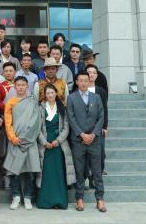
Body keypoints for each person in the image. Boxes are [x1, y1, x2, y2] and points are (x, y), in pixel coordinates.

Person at [67, 71, 106, 213]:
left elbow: (101, 116)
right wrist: (82, 134)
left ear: (89, 82)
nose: (83, 83)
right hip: (78, 140)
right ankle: (79, 198)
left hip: (94, 140)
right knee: (79, 170)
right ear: (77, 82)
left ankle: (100, 199)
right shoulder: (71, 98)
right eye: (81, 80)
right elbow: (71, 118)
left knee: (97, 171)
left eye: (86, 80)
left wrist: (93, 134)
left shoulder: (96, 97)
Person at [3, 76, 43, 210]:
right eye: (18, 85)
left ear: (27, 87)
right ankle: (16, 197)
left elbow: (36, 122)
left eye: (23, 85)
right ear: (15, 87)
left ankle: (28, 197)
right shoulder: (10, 102)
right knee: (14, 171)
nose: (21, 87)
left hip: (30, 141)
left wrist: (27, 138)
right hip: (15, 141)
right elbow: (8, 122)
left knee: (30, 172)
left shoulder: (33, 102)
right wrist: (13, 138)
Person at [36, 84, 76, 210]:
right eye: (47, 93)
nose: (50, 95)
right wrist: (44, 142)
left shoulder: (62, 108)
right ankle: (45, 201)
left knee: (59, 172)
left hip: (59, 145)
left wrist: (57, 141)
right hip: (45, 144)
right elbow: (37, 129)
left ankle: (59, 201)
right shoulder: (40, 108)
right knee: (46, 173)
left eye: (52, 92)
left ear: (56, 93)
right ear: (44, 95)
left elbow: (66, 128)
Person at [86, 64, 109, 176]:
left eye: (94, 72)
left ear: (97, 75)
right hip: (85, 125)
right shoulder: (80, 89)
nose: (91, 74)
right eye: (89, 72)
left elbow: (104, 109)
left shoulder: (101, 91)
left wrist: (105, 126)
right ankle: (88, 170)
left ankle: (100, 169)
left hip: (99, 125)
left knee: (101, 149)